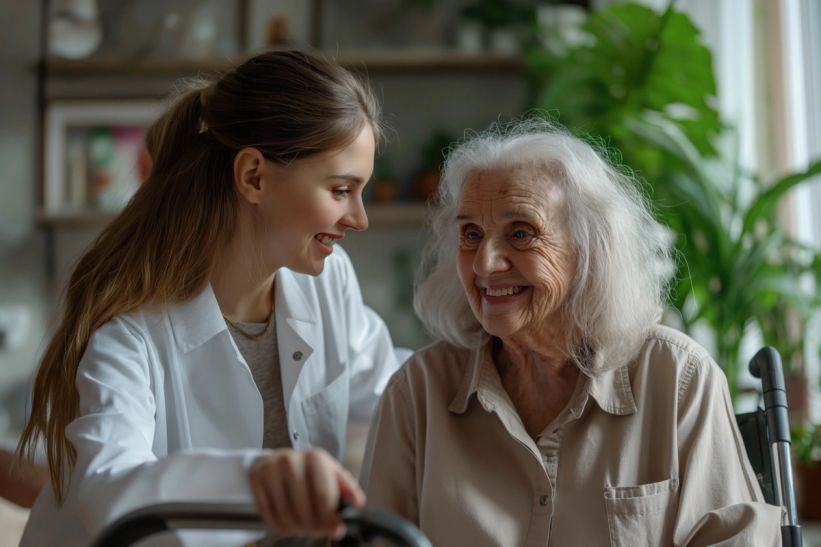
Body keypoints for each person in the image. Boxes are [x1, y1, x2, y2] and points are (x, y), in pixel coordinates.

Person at [17, 49, 408, 546]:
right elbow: (106, 488)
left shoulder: (326, 281)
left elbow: (392, 392)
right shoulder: (132, 333)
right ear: (253, 177)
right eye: (339, 190)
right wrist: (256, 479)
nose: (360, 218)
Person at [360, 118, 782, 546]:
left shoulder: (677, 379)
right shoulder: (417, 392)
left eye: (521, 233)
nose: (485, 265)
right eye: (471, 234)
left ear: (589, 248)